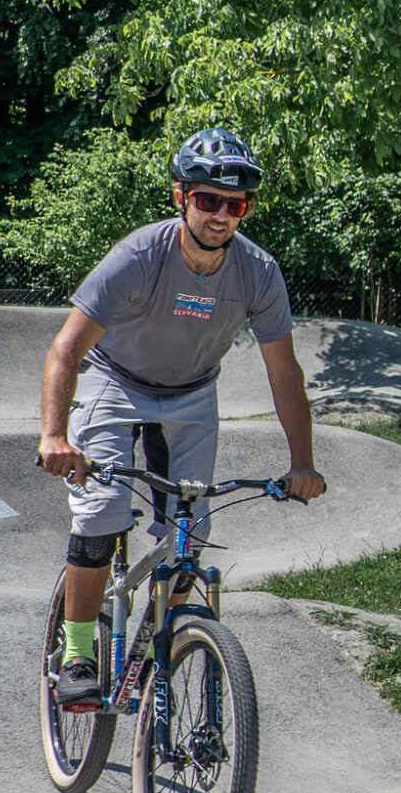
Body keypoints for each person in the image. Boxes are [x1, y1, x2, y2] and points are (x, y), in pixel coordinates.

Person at [37, 128, 326, 708]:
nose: (220, 214)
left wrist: (302, 462)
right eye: (208, 199)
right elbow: (65, 349)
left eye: (235, 205)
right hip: (116, 382)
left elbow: (284, 372)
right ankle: (77, 655)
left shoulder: (258, 272)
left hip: (192, 395)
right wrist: (54, 435)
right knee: (101, 512)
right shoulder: (139, 257)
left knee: (191, 535)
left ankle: (160, 647)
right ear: (181, 197)